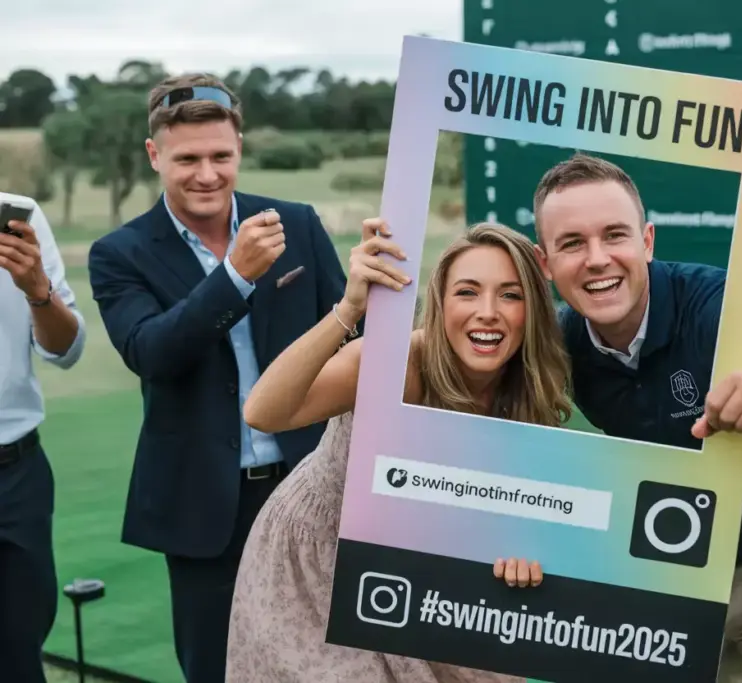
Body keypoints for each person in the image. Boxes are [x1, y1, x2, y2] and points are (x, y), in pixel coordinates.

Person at [530, 152, 742, 683]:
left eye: (615, 235)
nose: (596, 259)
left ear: (647, 242)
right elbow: (450, 353)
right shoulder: (559, 341)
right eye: (572, 243)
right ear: (545, 263)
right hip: (674, 573)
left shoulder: (714, 300)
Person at [224, 219, 570, 683]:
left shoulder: (529, 389)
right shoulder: (395, 364)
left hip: (424, 569)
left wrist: (521, 547)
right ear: (440, 304)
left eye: (510, 295)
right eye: (467, 292)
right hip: (320, 564)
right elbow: (263, 411)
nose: (488, 312)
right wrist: (349, 308)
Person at [87, 73, 350, 683]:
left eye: (220, 156)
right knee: (215, 668)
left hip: (309, 484)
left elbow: (351, 341)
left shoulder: (298, 223)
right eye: (187, 159)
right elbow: (151, 352)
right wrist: (233, 276)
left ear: (240, 148)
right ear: (155, 156)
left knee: (333, 661)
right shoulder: (119, 254)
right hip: (202, 506)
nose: (206, 173)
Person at [0, 193, 87, 683]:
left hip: (16, 476)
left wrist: (36, 290)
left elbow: (66, 350)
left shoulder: (17, 215)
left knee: (19, 657)